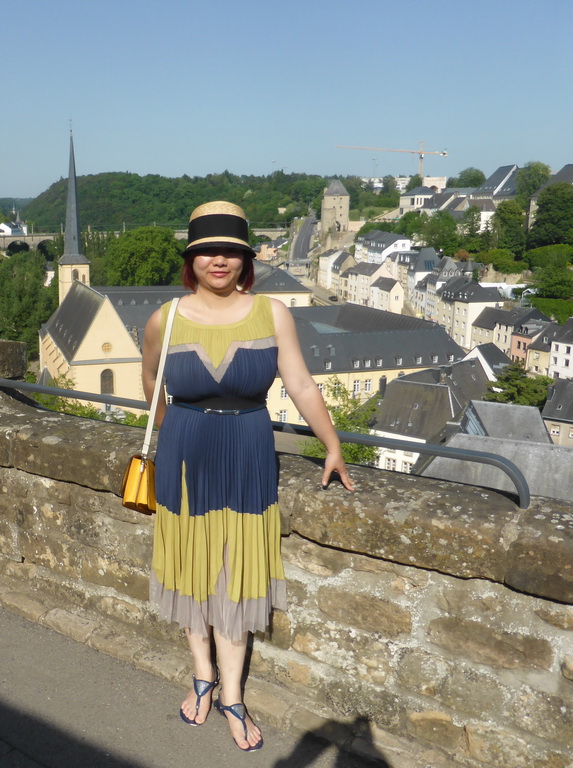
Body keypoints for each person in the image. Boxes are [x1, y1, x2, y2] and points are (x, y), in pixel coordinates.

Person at [141, 201, 354, 752]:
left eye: (231, 251)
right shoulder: (164, 319)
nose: (220, 260)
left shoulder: (273, 313)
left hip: (248, 454)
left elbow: (302, 385)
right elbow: (152, 389)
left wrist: (332, 445)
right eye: (208, 250)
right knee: (191, 571)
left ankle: (231, 694)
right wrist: (178, 436)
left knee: (237, 577)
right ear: (191, 259)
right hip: (186, 457)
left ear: (245, 259)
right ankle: (202, 676)